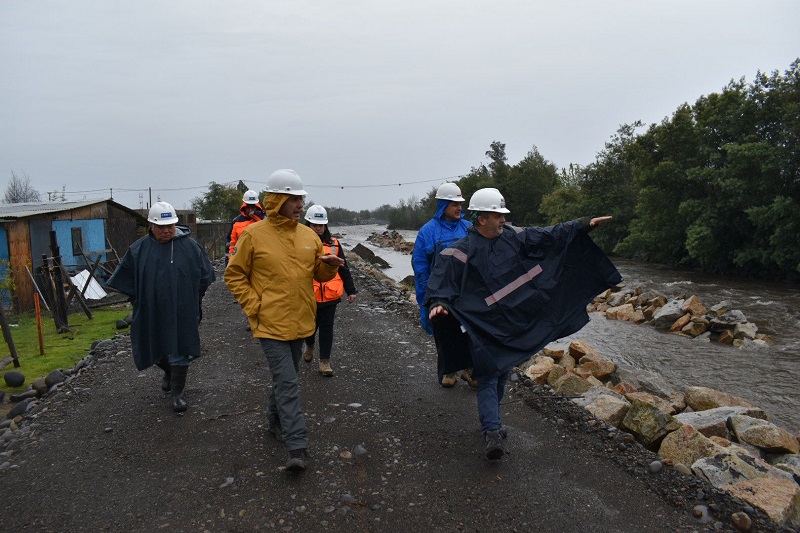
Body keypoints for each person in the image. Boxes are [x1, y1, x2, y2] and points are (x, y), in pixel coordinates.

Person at [425, 188, 622, 460]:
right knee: (488, 373)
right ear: (482, 218)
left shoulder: (513, 236)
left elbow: (549, 234)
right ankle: (492, 431)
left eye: (503, 215)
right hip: (483, 329)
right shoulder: (459, 252)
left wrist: (581, 225)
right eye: (497, 215)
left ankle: (491, 424)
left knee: (501, 371)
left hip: (511, 325)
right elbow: (441, 284)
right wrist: (439, 304)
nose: (503, 220)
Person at [224, 169, 344, 472]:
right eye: (293, 199)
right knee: (289, 381)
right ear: (276, 199)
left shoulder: (308, 236)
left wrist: (329, 267)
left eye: (301, 199)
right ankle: (297, 445)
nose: (299, 204)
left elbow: (317, 275)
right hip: (270, 324)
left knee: (286, 376)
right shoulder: (253, 234)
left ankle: (274, 421)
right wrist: (256, 306)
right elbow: (234, 275)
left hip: (302, 320)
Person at [107, 201, 215, 414]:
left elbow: (205, 274)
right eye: (161, 227)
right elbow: (124, 277)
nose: (166, 231)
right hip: (151, 309)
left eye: (170, 226)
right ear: (151, 226)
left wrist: (197, 297)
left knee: (181, 349)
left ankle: (177, 395)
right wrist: (136, 300)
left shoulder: (190, 246)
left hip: (183, 309)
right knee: (154, 348)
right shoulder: (139, 250)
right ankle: (168, 372)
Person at [412, 182, 477, 388]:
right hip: (440, 292)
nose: (459, 207)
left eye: (460, 203)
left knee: (471, 331)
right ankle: (448, 372)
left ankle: (470, 370)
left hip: (466, 291)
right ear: (442, 205)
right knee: (444, 332)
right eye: (453, 204)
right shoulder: (427, 232)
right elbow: (420, 265)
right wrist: (427, 294)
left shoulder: (469, 228)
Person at [302, 205, 358, 376]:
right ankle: (310, 344)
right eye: (314, 225)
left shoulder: (334, 244)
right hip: (309, 295)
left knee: (327, 328)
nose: (318, 228)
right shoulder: (301, 243)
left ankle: (324, 362)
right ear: (308, 224)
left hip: (330, 295)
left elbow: (344, 268)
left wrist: (351, 290)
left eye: (321, 225)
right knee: (310, 328)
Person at [226, 189, 265, 264]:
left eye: (253, 207)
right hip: (241, 259)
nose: (251, 210)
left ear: (257, 207)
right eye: (249, 207)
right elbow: (231, 243)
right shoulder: (236, 221)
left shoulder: (263, 218)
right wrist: (229, 261)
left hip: (260, 260)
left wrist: (256, 216)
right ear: (245, 206)